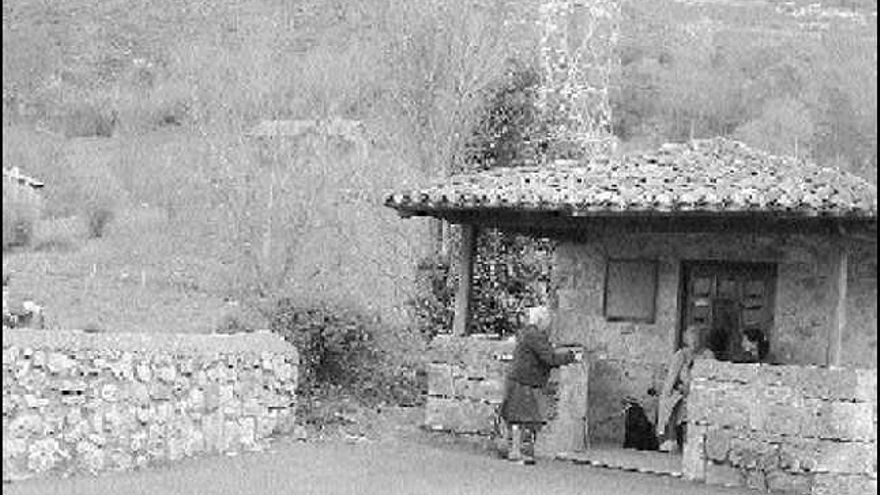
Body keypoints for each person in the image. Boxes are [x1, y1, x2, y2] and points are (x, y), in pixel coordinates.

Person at [499, 307, 581, 465]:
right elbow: (549, 357)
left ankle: (516, 450)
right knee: (521, 417)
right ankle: (516, 451)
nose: (549, 325)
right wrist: (572, 356)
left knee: (519, 417)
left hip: (521, 379)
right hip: (523, 380)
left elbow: (547, 352)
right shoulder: (534, 335)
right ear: (541, 321)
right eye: (548, 321)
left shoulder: (529, 333)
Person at [656, 324, 714, 454]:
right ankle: (670, 440)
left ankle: (688, 443)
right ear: (686, 340)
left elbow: (710, 379)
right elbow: (671, 378)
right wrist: (667, 395)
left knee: (685, 404)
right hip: (682, 392)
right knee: (670, 402)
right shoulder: (681, 355)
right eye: (691, 339)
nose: (694, 342)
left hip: (700, 393)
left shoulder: (708, 355)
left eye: (697, 339)